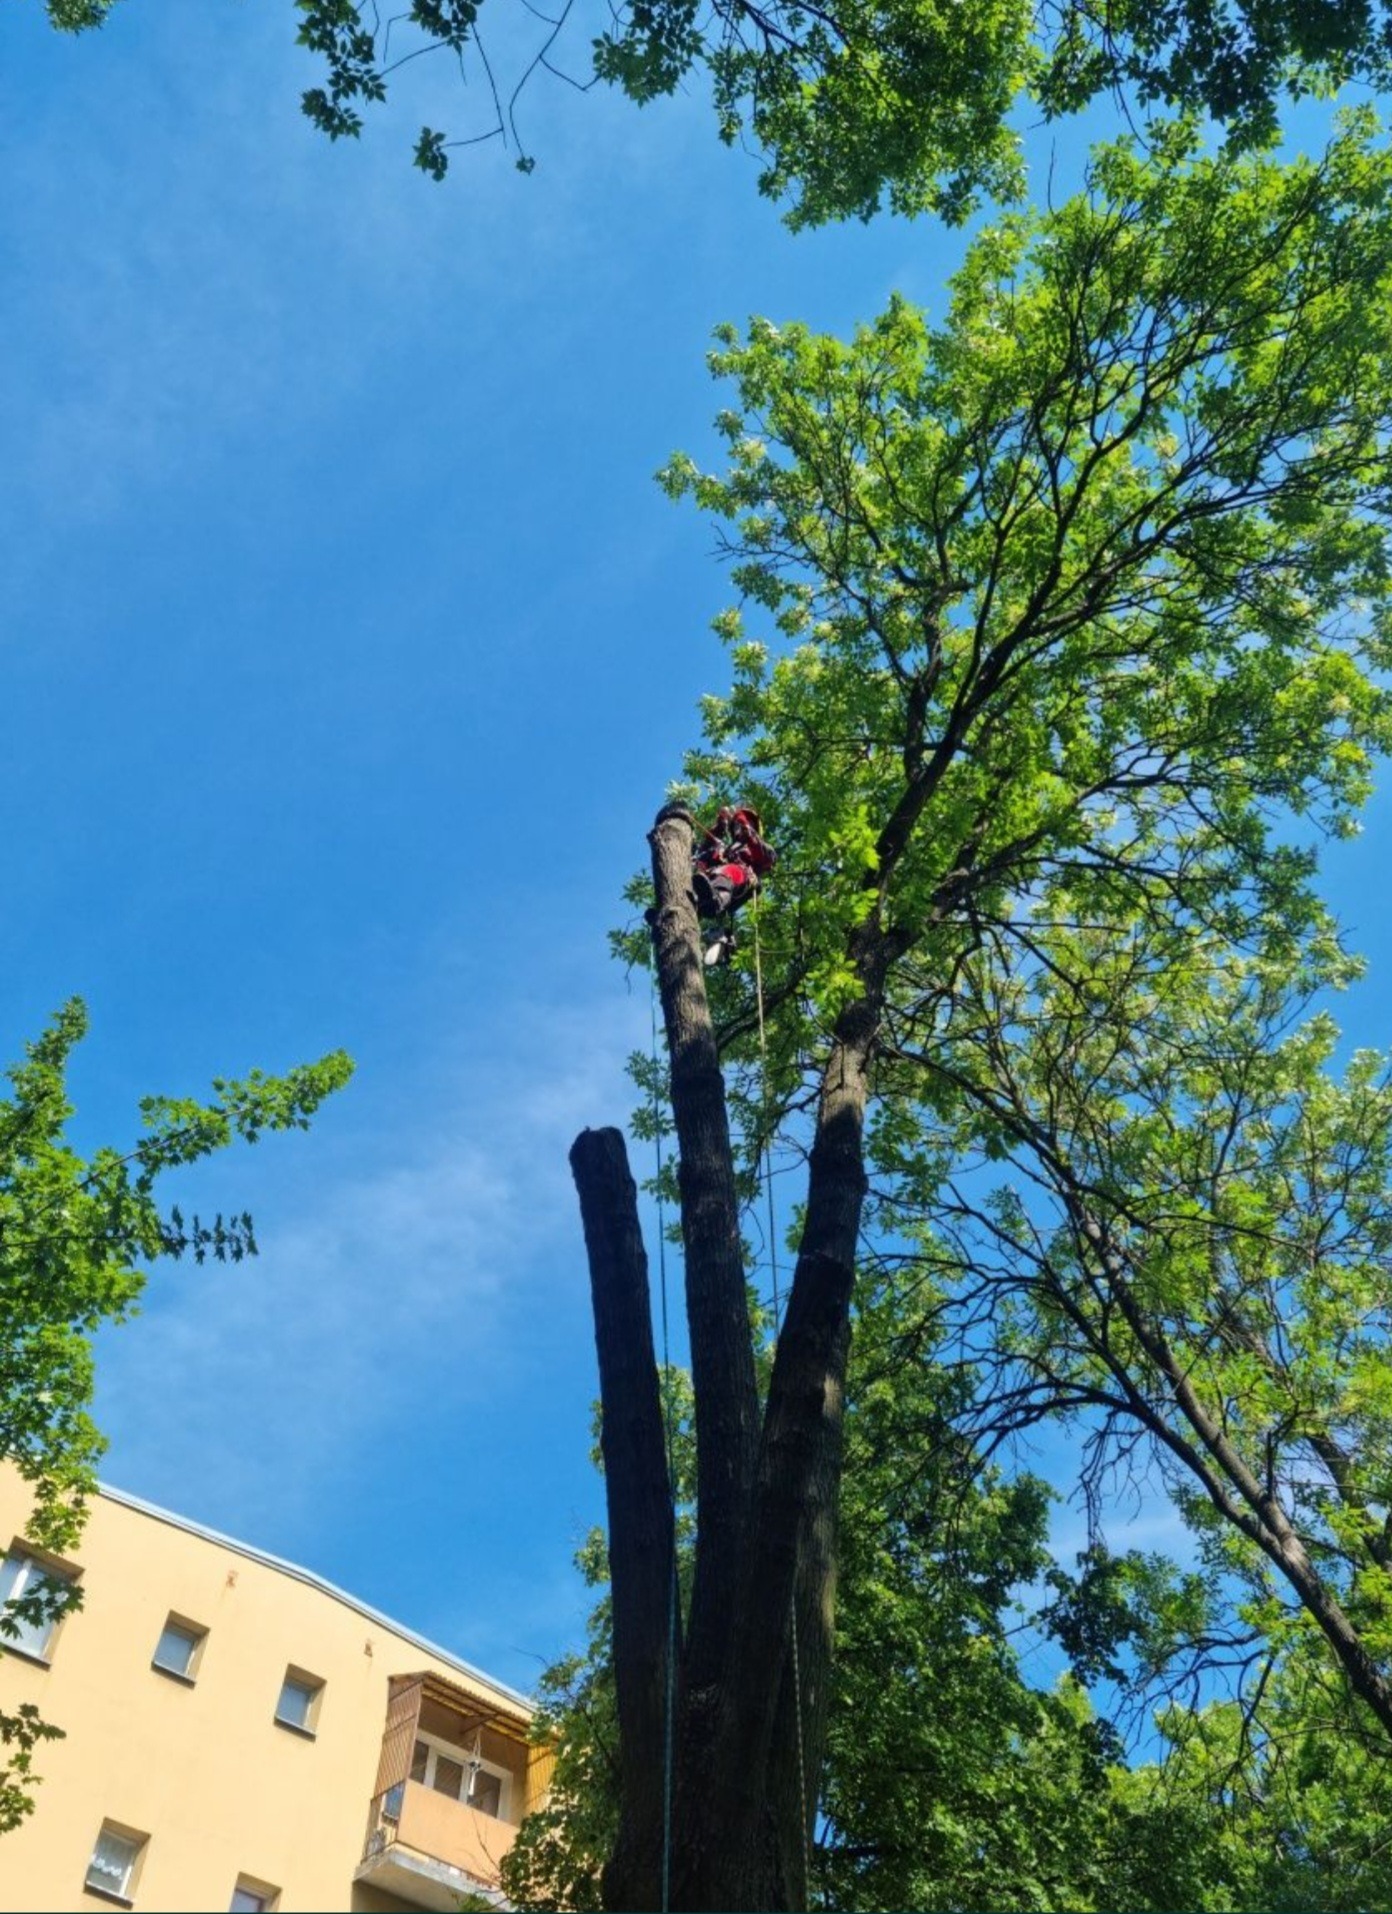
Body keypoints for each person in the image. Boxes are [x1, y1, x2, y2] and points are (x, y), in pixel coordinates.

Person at [692, 805, 776, 931]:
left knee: (730, 870)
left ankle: (716, 899)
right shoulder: (727, 849)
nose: (739, 827)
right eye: (736, 825)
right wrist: (721, 823)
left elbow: (767, 858)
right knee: (707, 860)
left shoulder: (759, 846)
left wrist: (745, 828)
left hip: (738, 879)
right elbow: (706, 848)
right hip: (712, 879)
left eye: (745, 823)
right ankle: (672, 911)